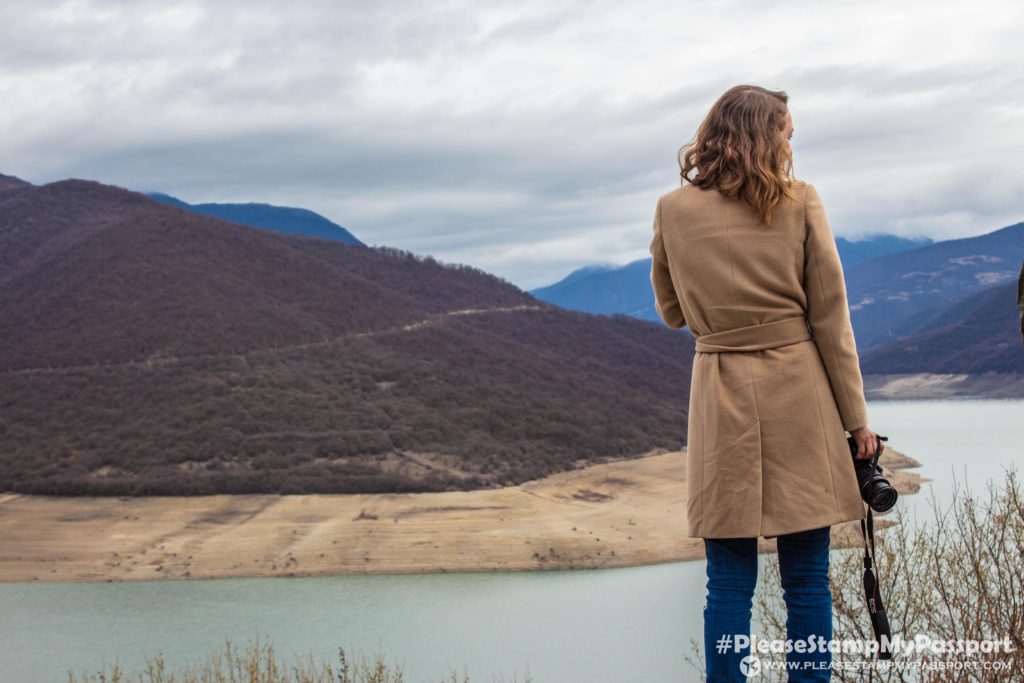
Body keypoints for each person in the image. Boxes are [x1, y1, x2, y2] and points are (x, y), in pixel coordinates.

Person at [648, 84, 880, 682]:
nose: (790, 143)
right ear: (764, 134)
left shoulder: (672, 211)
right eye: (786, 132)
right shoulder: (801, 202)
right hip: (799, 396)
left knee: (726, 583)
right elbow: (831, 320)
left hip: (719, 394)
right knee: (806, 581)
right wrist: (858, 422)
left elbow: (672, 313)